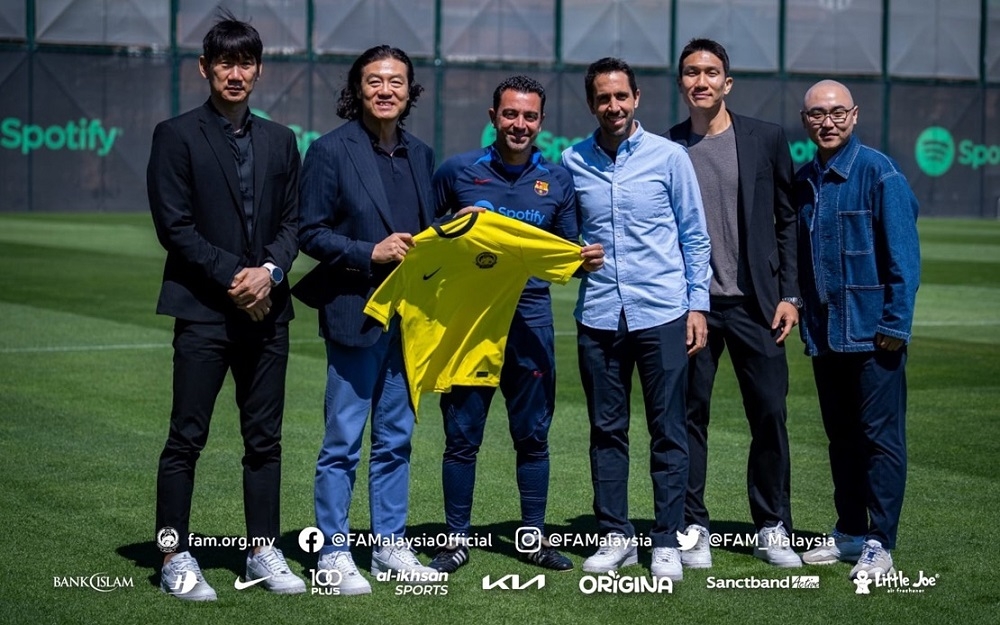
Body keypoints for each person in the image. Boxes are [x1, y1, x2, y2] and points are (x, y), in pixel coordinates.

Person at [148, 12, 304, 601]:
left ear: (258, 70)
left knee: (264, 441)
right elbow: (175, 228)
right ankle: (172, 553)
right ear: (205, 68)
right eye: (224, 63)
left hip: (268, 314)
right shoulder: (176, 134)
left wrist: (267, 274)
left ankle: (263, 550)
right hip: (204, 312)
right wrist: (238, 279)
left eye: (245, 63)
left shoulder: (281, 139)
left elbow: (293, 223)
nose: (235, 73)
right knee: (186, 437)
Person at [424, 75, 604, 574]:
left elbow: (564, 257)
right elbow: (425, 238)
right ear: (492, 117)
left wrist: (580, 261)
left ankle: (531, 539)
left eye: (529, 116)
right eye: (510, 114)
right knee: (462, 437)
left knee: (533, 436)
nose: (518, 124)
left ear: (541, 123)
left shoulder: (557, 181)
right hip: (469, 325)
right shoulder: (457, 172)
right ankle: (454, 540)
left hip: (531, 324)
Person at [561, 57, 712, 582]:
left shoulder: (669, 158)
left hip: (663, 313)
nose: (613, 106)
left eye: (621, 96)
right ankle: (616, 536)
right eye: (603, 98)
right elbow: (561, 239)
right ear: (591, 104)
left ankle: (666, 540)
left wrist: (698, 306)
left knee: (669, 431)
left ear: (637, 98)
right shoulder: (571, 160)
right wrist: (573, 252)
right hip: (600, 316)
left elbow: (695, 236)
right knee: (606, 431)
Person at [294, 44, 437, 596]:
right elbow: (310, 231)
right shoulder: (330, 152)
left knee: (396, 439)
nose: (385, 90)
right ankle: (332, 550)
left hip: (411, 320)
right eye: (375, 81)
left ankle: (389, 545)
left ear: (410, 91)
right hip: (356, 313)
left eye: (396, 81)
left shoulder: (421, 155)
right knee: (342, 441)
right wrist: (368, 252)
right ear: (357, 90)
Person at [666, 38, 802, 569]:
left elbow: (787, 221)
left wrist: (790, 294)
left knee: (769, 415)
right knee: (688, 417)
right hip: (692, 307)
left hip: (758, 306)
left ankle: (772, 526)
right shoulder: (666, 146)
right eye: (692, 72)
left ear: (728, 82)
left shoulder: (766, 138)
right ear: (681, 83)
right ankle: (693, 526)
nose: (702, 80)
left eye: (711, 71)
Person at [794, 80, 920, 579]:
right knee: (841, 439)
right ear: (805, 121)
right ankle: (848, 533)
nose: (828, 121)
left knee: (880, 440)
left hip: (875, 335)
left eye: (837, 112)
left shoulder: (880, 173)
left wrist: (895, 323)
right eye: (817, 114)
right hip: (827, 336)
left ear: (855, 115)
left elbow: (904, 260)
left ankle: (880, 542)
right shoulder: (805, 179)